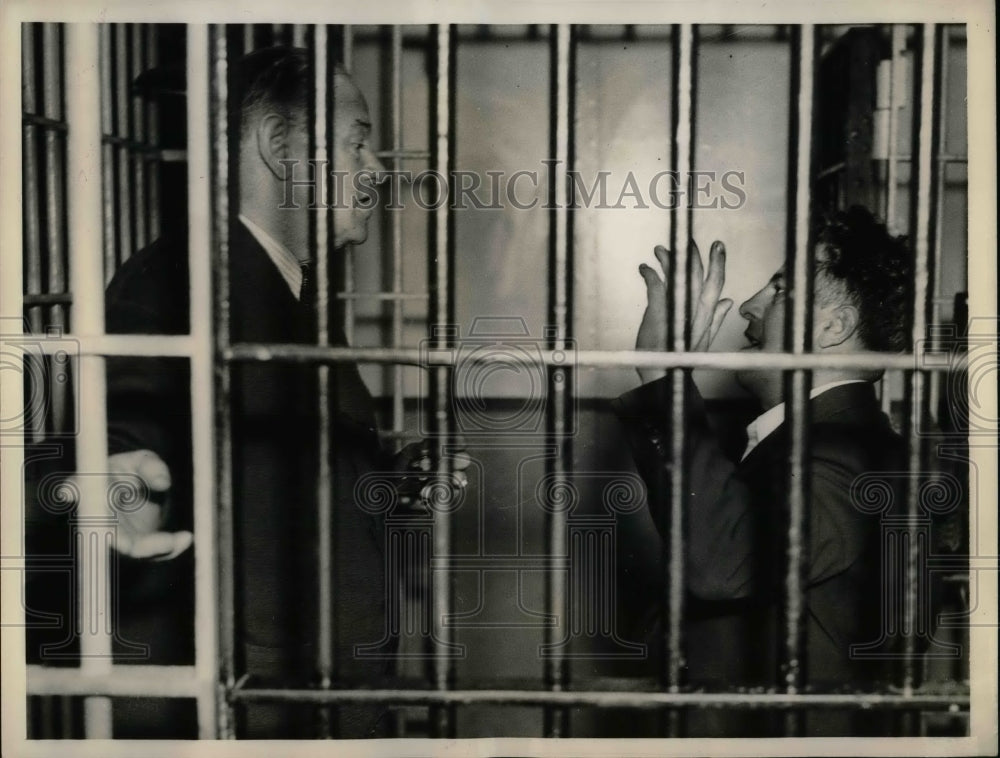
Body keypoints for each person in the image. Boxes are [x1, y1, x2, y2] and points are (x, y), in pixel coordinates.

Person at [39, 46, 464, 738]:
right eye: (358, 143)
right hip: (259, 715)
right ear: (276, 146)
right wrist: (113, 483)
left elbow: (273, 470)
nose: (377, 169)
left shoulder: (285, 288)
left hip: (309, 695)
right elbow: (128, 428)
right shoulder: (176, 283)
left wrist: (389, 477)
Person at [613, 206, 913, 736]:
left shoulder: (855, 459)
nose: (749, 307)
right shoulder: (820, 443)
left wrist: (663, 380)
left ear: (832, 326)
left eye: (779, 290)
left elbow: (726, 566)